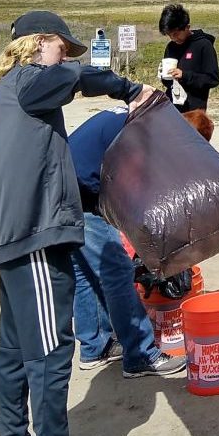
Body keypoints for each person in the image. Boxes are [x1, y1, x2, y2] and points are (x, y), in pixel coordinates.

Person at [0, 10, 152, 436]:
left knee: (14, 348)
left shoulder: (12, 93)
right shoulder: (29, 79)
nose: (65, 57)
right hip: (35, 235)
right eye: (61, 47)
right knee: (52, 350)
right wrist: (127, 88)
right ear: (39, 44)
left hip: (12, 235)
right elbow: (71, 77)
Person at [66, 107, 187, 378]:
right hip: (81, 195)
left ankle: (95, 347)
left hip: (59, 191)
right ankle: (141, 353)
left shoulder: (121, 119)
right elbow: (132, 193)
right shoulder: (137, 133)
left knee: (85, 273)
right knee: (117, 272)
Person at [157, 2, 219, 140]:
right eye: (169, 35)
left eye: (175, 34)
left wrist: (185, 75)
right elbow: (168, 83)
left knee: (194, 147)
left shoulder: (204, 45)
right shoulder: (171, 47)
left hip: (195, 111)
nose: (173, 38)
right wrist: (164, 76)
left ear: (187, 27)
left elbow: (213, 79)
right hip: (173, 107)